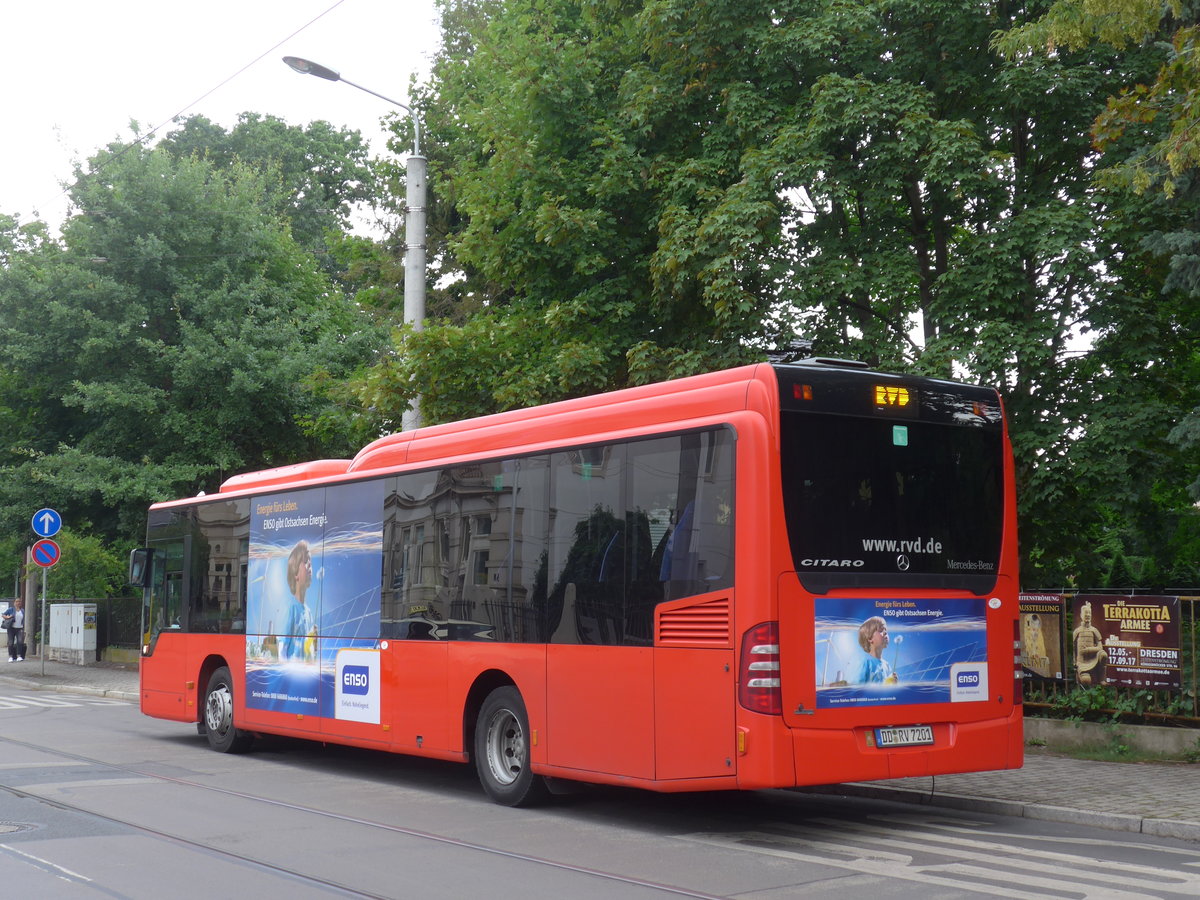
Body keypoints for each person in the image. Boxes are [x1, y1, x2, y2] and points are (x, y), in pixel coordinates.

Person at [281, 541, 316, 662]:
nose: (310, 565)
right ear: (295, 573)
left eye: (310, 561)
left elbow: (308, 648)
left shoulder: (309, 612)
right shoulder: (290, 608)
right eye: (306, 561)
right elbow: (282, 648)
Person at [1072, 600, 1107, 686]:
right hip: (1082, 662)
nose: (1087, 615)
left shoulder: (1094, 630)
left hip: (1093, 658)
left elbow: (1100, 647)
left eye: (1089, 613)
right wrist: (1074, 661)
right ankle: (1082, 675)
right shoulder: (1077, 631)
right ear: (1081, 615)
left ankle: (1102, 678)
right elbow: (1073, 648)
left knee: (1103, 655)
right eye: (1085, 613)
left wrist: (1089, 650)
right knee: (1086, 680)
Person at [855, 615, 896, 684]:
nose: (885, 632)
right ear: (870, 638)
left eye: (886, 630)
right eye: (881, 630)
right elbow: (858, 689)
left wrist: (893, 684)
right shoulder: (865, 663)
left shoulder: (887, 666)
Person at [2, 598, 27, 662]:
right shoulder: (11, 609)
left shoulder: (22, 610)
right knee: (11, 642)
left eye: (19, 602)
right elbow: (3, 614)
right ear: (14, 603)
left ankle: (19, 656)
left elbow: (23, 619)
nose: (18, 603)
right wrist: (8, 617)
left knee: (20, 642)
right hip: (11, 628)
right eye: (17, 601)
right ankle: (10, 657)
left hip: (19, 628)